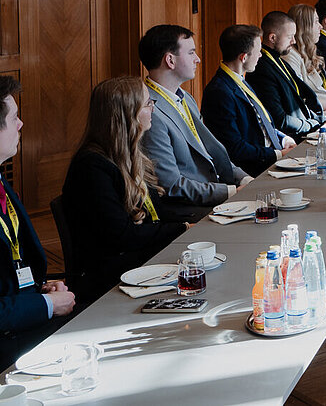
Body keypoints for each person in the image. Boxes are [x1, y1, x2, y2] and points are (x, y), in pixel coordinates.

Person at [61, 77, 190, 306]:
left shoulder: (129, 155)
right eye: (148, 104)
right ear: (128, 114)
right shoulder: (91, 168)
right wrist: (180, 229)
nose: (153, 109)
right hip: (110, 279)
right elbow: (122, 236)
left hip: (140, 261)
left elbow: (156, 213)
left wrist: (188, 225)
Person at [0, 76, 75, 371]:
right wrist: (45, 306)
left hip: (23, 321)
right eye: (14, 118)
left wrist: (39, 291)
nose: (20, 125)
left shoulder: (2, 180)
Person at [140, 24, 252, 221]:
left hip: (214, 194)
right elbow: (171, 185)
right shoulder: (151, 112)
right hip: (189, 210)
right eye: (191, 52)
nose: (198, 59)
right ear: (170, 60)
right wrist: (230, 192)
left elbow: (211, 150)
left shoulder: (186, 98)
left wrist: (244, 178)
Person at [202, 24, 298, 177]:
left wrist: (283, 138)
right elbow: (235, 148)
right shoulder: (219, 92)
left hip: (271, 156)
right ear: (244, 57)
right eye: (259, 51)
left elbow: (261, 122)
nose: (261, 55)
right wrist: (278, 154)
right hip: (255, 170)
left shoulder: (240, 80)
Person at [245, 11, 324, 140]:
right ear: (272, 38)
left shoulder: (278, 59)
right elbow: (280, 119)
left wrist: (319, 120)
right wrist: (311, 125)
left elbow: (301, 96)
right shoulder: (262, 70)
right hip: (291, 138)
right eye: (289, 37)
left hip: (307, 125)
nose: (293, 41)